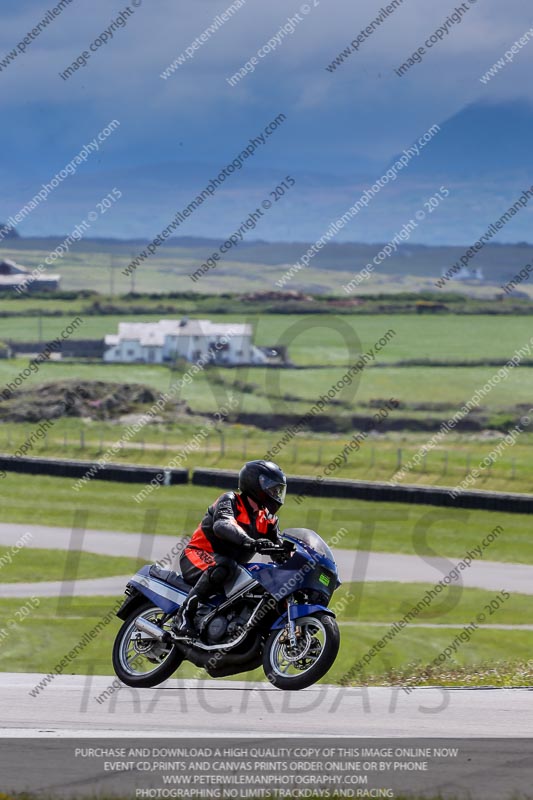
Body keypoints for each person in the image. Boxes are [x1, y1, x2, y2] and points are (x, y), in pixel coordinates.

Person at [175, 460, 287, 637]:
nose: (276, 493)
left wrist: (295, 558)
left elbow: (279, 546)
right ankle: (183, 614)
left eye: (278, 490)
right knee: (224, 565)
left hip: (231, 568)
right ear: (255, 483)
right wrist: (251, 542)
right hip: (197, 556)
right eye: (272, 488)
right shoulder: (231, 500)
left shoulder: (267, 519)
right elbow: (223, 525)